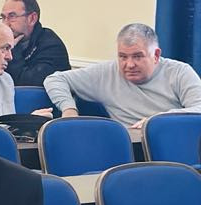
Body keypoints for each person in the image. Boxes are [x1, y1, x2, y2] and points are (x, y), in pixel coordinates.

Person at [44, 23, 201, 127]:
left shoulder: (179, 72)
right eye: (123, 57)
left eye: (138, 56)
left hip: (173, 145)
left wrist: (157, 121)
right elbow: (55, 79)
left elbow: (199, 108)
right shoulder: (106, 73)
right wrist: (69, 109)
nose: (129, 64)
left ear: (156, 55)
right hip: (131, 150)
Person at [0, 0, 70, 86]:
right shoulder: (1, 42)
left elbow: (27, 83)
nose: (5, 24)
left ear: (32, 19)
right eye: (3, 18)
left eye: (12, 16)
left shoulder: (52, 46)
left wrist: (12, 49)